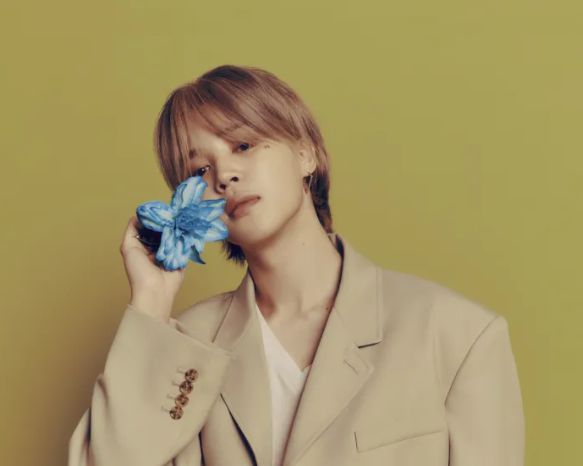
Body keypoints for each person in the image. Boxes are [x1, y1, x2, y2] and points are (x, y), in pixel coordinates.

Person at [67, 64, 525, 466]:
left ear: (305, 153)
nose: (224, 175)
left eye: (243, 145)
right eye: (198, 171)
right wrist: (150, 300)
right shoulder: (188, 347)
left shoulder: (457, 335)